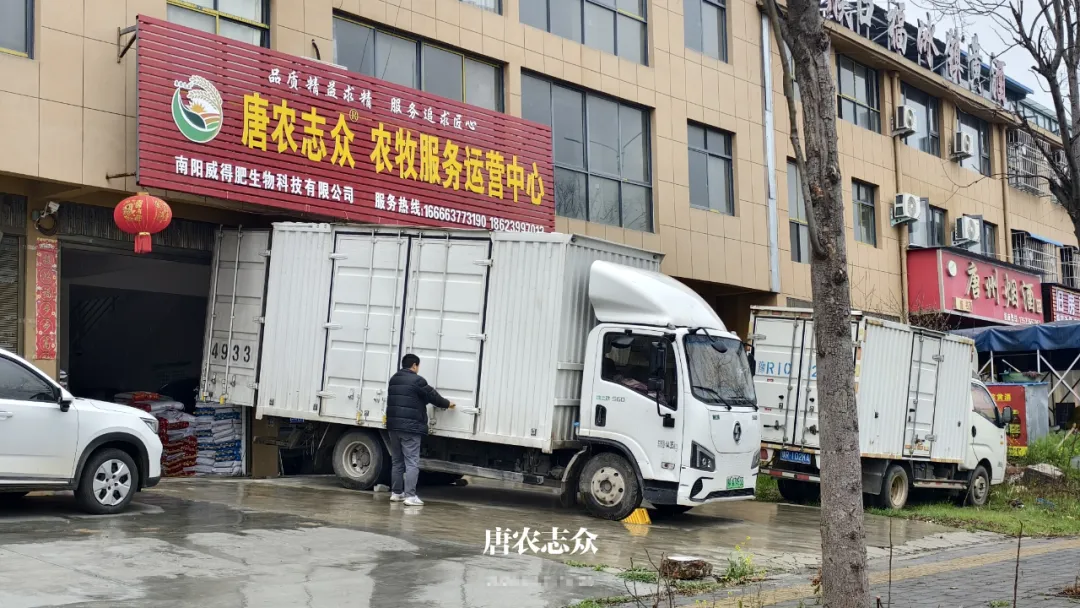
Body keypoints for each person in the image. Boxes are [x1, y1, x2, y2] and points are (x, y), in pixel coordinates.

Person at [385, 353, 454, 506]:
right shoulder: (417, 380)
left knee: (397, 461)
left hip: (393, 426)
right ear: (415, 365)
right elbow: (433, 396)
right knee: (412, 462)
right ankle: (410, 496)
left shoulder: (394, 379)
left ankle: (396, 493)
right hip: (410, 427)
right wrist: (447, 404)